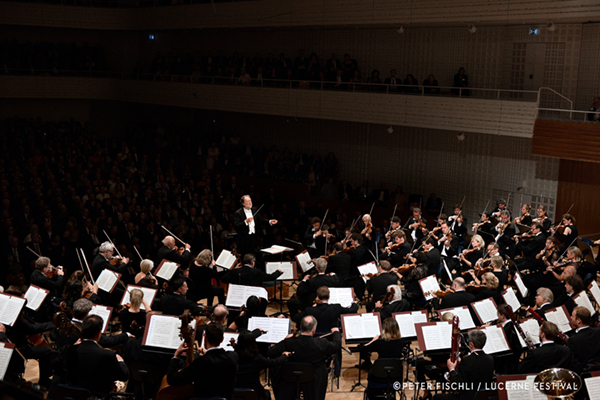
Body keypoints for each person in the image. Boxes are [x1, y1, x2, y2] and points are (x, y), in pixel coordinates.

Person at [268, 316, 341, 400]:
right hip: (313, 380)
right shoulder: (321, 343)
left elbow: (270, 352)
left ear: (300, 328)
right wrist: (336, 333)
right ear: (314, 330)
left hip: (290, 377)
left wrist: (284, 340)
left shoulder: (289, 342)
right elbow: (336, 346)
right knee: (322, 366)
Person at [63, 315, 129, 397]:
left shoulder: (68, 349)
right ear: (99, 334)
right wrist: (120, 361)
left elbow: (57, 367)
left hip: (73, 395)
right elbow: (123, 376)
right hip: (97, 396)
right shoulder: (108, 355)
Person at [167, 323, 239, 400]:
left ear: (205, 338)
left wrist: (176, 355)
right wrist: (207, 353)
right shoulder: (233, 357)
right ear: (222, 339)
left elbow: (172, 379)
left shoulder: (200, 362)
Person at [433, 330, 494, 400]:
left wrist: (452, 369)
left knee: (437, 397)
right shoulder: (490, 359)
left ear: (471, 344)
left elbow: (457, 386)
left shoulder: (467, 361)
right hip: (483, 396)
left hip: (467, 397)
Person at [234, 330, 291, 400]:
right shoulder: (257, 359)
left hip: (235, 391)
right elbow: (274, 362)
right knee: (267, 394)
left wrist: (258, 331)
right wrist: (284, 356)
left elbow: (245, 340)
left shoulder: (233, 356)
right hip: (255, 392)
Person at [362, 317, 407, 391]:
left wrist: (372, 341)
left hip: (378, 377)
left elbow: (363, 349)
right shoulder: (401, 342)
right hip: (396, 377)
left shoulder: (379, 343)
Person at [292, 286, 358, 333]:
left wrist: (313, 307)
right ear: (329, 297)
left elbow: (295, 318)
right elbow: (351, 311)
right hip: (332, 335)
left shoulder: (310, 310)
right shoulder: (336, 307)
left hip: (315, 336)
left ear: (317, 297)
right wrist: (354, 304)